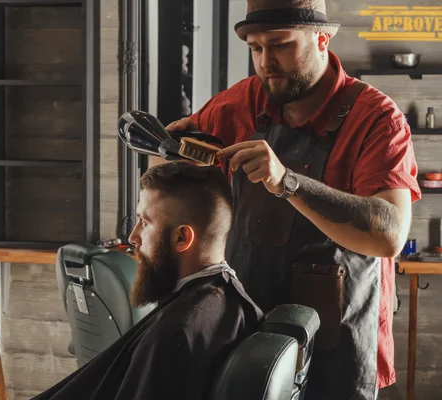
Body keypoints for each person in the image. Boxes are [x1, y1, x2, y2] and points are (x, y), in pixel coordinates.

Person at [151, 1, 421, 399]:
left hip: (337, 346)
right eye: (256, 49)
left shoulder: (377, 119)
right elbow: (173, 165)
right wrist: (171, 154)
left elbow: (390, 235)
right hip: (250, 336)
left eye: (279, 45)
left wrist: (288, 182)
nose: (266, 62)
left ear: (322, 39)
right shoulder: (242, 102)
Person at [33, 162, 263, 400]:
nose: (133, 237)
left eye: (144, 222)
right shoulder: (233, 302)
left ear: (182, 237)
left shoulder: (174, 334)